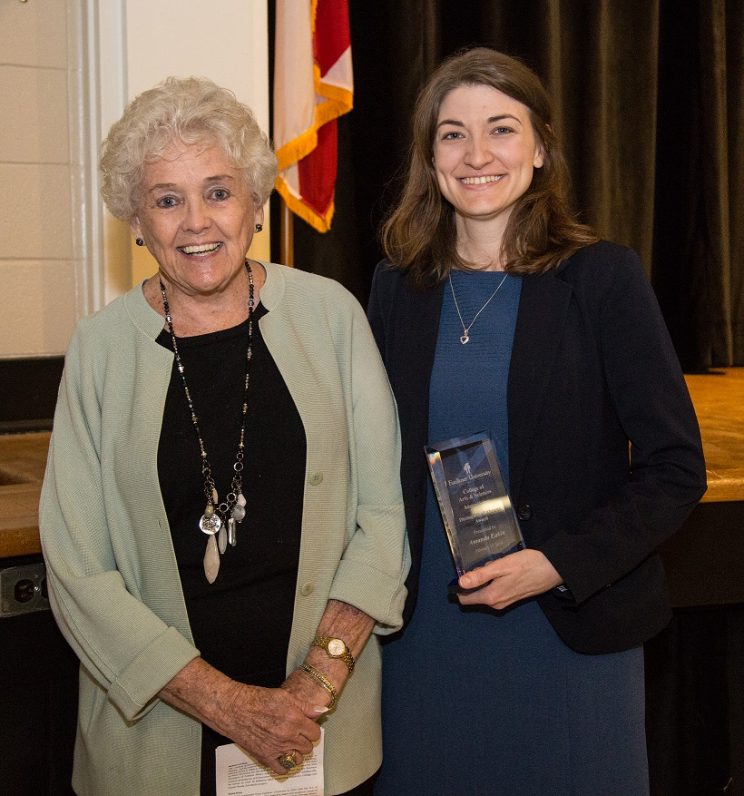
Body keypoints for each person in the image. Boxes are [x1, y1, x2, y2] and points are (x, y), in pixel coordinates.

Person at [39, 76, 409, 796]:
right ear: (137, 220)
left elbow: (384, 518)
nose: (196, 222)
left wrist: (316, 681)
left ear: (254, 202)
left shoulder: (331, 316)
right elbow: (78, 571)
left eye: (218, 190)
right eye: (167, 199)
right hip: (152, 745)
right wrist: (231, 706)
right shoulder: (100, 349)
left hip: (317, 730)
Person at [367, 48, 706, 794]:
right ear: (430, 156)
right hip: (425, 636)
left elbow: (676, 470)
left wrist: (556, 564)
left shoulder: (603, 279)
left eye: (502, 129)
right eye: (453, 134)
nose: (478, 154)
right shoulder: (397, 288)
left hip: (566, 630)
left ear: (542, 147)